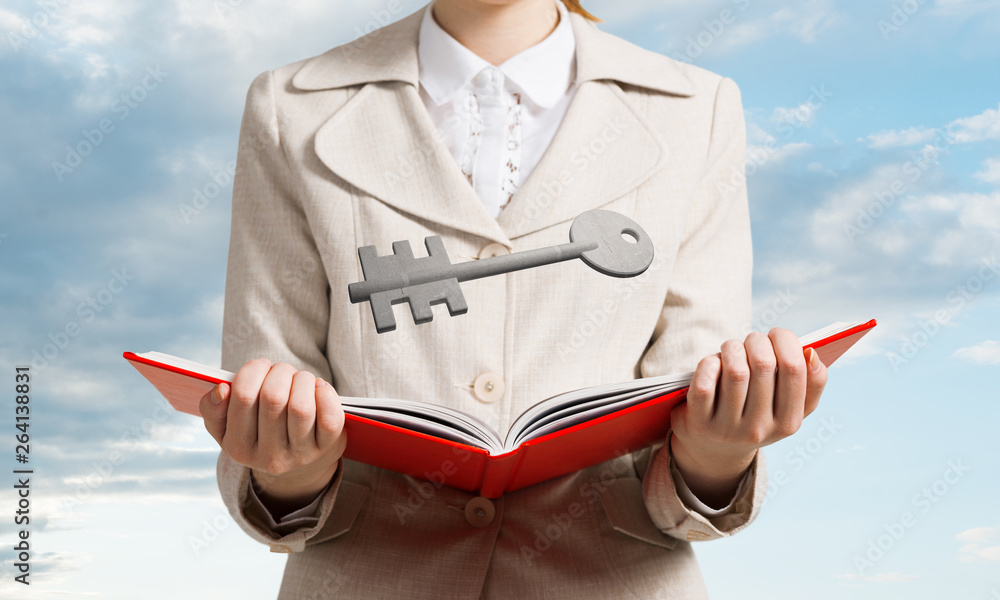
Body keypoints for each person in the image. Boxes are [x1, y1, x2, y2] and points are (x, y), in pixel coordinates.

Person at [198, 1, 829, 597]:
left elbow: (688, 433)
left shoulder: (696, 108)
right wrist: (289, 471)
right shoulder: (290, 106)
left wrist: (718, 453)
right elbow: (267, 402)